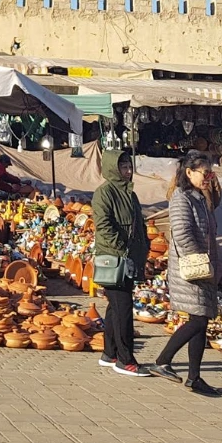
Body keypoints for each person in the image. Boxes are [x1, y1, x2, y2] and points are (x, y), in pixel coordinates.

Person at [151, 150, 222, 395]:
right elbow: (181, 233)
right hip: (192, 269)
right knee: (199, 319)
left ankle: (194, 376)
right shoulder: (181, 198)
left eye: (210, 173)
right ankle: (162, 360)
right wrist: (199, 258)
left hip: (203, 268)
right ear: (189, 172)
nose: (209, 178)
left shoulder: (199, 197)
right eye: (205, 173)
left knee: (199, 320)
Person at [91, 149, 151, 377]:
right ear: (112, 169)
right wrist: (121, 248)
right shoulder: (104, 193)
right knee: (123, 308)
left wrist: (144, 246)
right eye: (123, 167)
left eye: (129, 167)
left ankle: (110, 353)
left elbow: (138, 223)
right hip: (113, 258)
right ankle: (126, 360)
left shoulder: (130, 194)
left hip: (129, 258)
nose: (127, 171)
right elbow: (104, 226)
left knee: (115, 308)